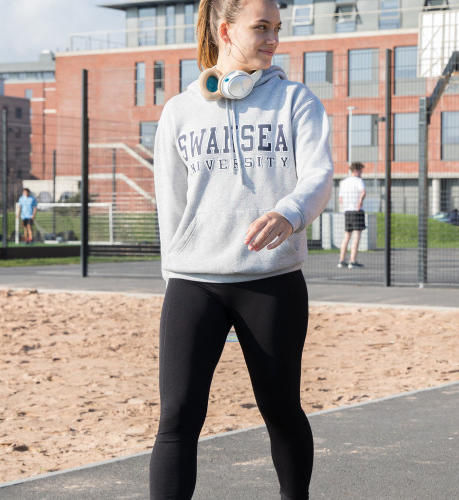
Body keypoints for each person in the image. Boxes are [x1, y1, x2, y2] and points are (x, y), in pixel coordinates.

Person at [150, 0, 333, 496]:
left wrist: (290, 212)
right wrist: (176, 276)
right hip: (194, 285)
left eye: (277, 28)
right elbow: (170, 204)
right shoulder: (181, 110)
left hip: (271, 282)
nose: (274, 38)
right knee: (177, 418)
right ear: (226, 30)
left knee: (280, 409)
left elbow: (319, 177)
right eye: (262, 28)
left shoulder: (296, 101)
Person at [337, 161, 367, 269]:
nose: (361, 173)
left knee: (346, 236)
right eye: (361, 171)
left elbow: (340, 198)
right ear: (356, 170)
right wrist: (359, 202)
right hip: (356, 210)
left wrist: (344, 207)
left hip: (347, 211)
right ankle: (352, 261)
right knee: (356, 236)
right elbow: (363, 192)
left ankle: (341, 260)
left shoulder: (344, 182)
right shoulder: (359, 181)